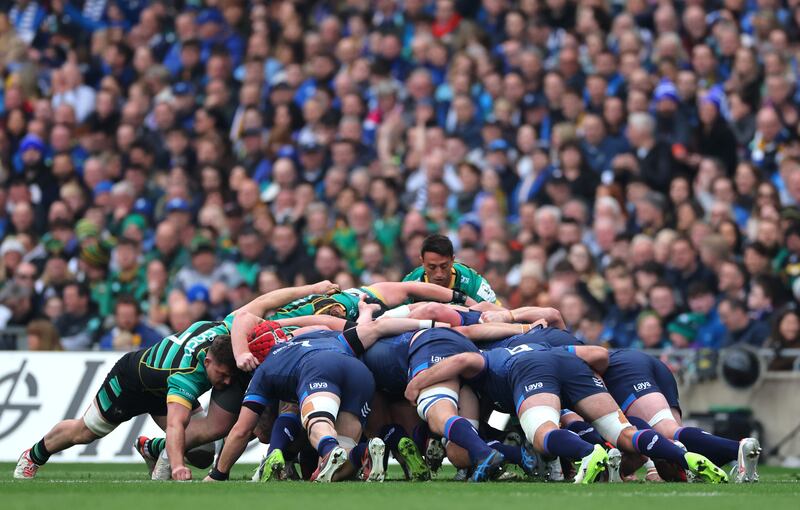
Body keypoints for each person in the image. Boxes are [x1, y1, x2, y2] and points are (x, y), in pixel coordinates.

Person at [405, 341, 729, 484]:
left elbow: (465, 361)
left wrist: (418, 382)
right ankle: (686, 458)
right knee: (624, 432)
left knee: (543, 433)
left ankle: (590, 455)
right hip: (570, 363)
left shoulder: (489, 355)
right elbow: (596, 354)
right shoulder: (544, 341)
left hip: (531, 370)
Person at [14, 328, 238, 481]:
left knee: (203, 452)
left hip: (162, 385)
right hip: (130, 382)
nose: (227, 382)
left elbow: (255, 306)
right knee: (84, 432)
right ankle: (33, 456)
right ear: (208, 361)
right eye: (223, 374)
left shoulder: (222, 330)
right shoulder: (185, 375)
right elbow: (175, 425)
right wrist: (178, 465)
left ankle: (153, 448)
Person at [599, 349, 761, 482]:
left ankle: (738, 448)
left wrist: (646, 467)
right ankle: (721, 459)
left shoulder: (576, 358)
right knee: (674, 441)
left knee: (667, 432)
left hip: (624, 369)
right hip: (643, 365)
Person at [402, 234, 498, 304]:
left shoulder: (472, 280)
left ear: (452, 260)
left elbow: (495, 310)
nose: (439, 274)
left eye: (444, 266)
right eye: (432, 267)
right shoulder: (410, 283)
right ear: (422, 262)